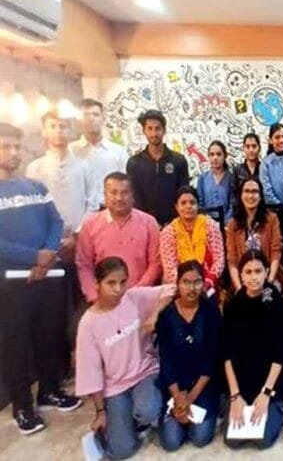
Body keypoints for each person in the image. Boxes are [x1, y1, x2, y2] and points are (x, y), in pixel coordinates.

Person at [0, 122, 81, 435]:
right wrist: (33, 257)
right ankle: (22, 405)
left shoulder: (36, 187)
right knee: (16, 344)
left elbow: (55, 222)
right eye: (6, 147)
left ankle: (49, 390)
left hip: (47, 276)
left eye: (17, 146)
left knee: (49, 335)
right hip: (11, 283)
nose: (13, 152)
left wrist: (46, 254)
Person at [75, 257, 175, 459]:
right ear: (97, 284)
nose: (118, 289)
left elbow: (170, 290)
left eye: (123, 282)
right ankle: (124, 421)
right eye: (111, 283)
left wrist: (154, 314)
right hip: (115, 386)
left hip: (145, 372)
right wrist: (100, 411)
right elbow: (90, 371)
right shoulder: (88, 324)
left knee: (148, 410)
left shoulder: (133, 297)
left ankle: (137, 416)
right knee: (122, 450)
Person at [223, 250, 283, 450]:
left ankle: (277, 406)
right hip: (242, 381)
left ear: (267, 272)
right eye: (248, 272)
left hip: (270, 381)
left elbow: (281, 353)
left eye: (258, 271)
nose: (253, 277)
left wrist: (266, 393)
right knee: (233, 441)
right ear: (241, 275)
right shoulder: (233, 305)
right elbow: (226, 354)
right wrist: (235, 395)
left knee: (263, 440)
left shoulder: (276, 302)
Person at [156, 261, 222, 451]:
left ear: (203, 283)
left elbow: (211, 360)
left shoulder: (211, 312)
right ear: (178, 283)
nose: (192, 288)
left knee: (200, 438)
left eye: (197, 282)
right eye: (186, 282)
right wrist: (178, 397)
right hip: (175, 385)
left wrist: (190, 398)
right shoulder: (166, 316)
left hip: (203, 385)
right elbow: (166, 360)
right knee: (170, 442)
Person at [76, 172, 162, 303]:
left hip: (140, 299)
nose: (119, 198)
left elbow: (155, 263)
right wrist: (94, 297)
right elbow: (84, 265)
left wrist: (136, 294)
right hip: (102, 301)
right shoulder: (90, 225)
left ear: (132, 195)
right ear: (105, 195)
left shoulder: (149, 223)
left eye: (124, 192)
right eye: (113, 192)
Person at [26, 110, 95, 237]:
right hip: (46, 237)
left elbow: (92, 203)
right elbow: (32, 207)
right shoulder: (34, 168)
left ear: (70, 131)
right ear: (44, 131)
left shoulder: (83, 166)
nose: (58, 130)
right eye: (52, 126)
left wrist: (78, 233)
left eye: (63, 126)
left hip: (80, 236)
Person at [225, 178, 283, 296]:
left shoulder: (272, 219)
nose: (250, 196)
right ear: (240, 195)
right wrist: (240, 289)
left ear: (260, 196)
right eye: (246, 191)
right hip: (243, 278)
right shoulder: (232, 224)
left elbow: (276, 252)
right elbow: (232, 260)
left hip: (269, 274)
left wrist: (268, 282)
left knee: (271, 295)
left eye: (255, 191)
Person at [126, 109, 189, 226]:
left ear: (164, 130)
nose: (154, 133)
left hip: (174, 224)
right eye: (149, 128)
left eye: (157, 128)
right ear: (144, 131)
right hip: (144, 225)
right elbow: (135, 198)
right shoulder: (134, 163)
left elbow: (184, 195)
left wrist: (174, 223)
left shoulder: (178, 160)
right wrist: (148, 223)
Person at [159, 186, 224, 297]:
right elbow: (170, 269)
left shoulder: (210, 226)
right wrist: (188, 286)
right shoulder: (169, 232)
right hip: (179, 288)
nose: (188, 206)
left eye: (192, 202)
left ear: (197, 205)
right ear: (176, 207)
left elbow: (219, 260)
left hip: (208, 285)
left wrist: (207, 282)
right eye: (183, 203)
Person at [69, 98, 129, 207]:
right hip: (80, 209)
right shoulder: (70, 151)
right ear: (79, 120)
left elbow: (126, 185)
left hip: (110, 209)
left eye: (95, 114)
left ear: (103, 119)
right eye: (86, 115)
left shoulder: (118, 152)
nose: (91, 118)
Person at [196, 140, 233, 223]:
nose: (215, 158)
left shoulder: (231, 178)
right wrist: (207, 220)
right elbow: (199, 204)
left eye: (219, 154)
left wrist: (226, 222)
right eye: (212, 154)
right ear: (208, 157)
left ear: (225, 156)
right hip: (206, 223)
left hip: (227, 224)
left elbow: (232, 205)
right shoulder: (202, 179)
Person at [231, 133, 262, 208]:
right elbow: (233, 194)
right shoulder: (237, 170)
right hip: (241, 211)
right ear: (243, 148)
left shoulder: (264, 169)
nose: (251, 150)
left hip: (261, 210)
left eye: (254, 146)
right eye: (247, 147)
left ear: (259, 148)